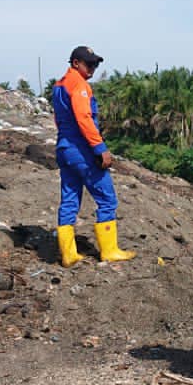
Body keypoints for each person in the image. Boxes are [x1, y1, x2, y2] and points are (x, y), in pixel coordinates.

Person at [52, 45, 136, 267]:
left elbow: (59, 120)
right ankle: (109, 251)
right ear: (75, 63)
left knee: (69, 198)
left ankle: (68, 254)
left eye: (96, 64)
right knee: (107, 199)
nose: (93, 68)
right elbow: (84, 119)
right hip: (81, 149)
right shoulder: (79, 85)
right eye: (89, 64)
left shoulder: (59, 86)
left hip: (64, 147)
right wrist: (100, 148)